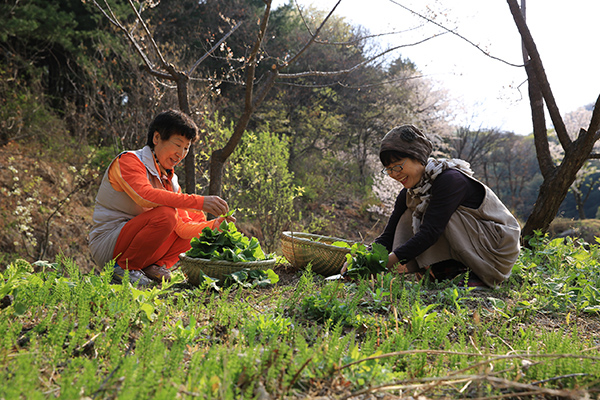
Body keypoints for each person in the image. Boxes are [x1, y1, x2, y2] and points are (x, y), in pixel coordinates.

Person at [344, 124, 521, 288]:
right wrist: (362, 259)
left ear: (418, 157)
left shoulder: (450, 180)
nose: (394, 174)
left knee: (435, 213)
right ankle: (443, 273)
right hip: (470, 244)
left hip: (494, 249)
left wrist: (384, 264)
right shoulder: (410, 193)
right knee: (408, 213)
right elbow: (387, 236)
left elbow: (430, 232)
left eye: (398, 166)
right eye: (388, 169)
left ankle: (469, 275)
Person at [88, 109, 235, 285]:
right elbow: (145, 196)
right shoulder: (129, 161)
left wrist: (215, 226)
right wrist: (200, 201)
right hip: (109, 244)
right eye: (177, 144)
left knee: (194, 223)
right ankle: (124, 269)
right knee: (166, 214)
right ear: (156, 138)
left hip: (137, 244)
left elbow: (182, 228)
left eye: (186, 148)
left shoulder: (170, 179)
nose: (181, 154)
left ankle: (152, 268)